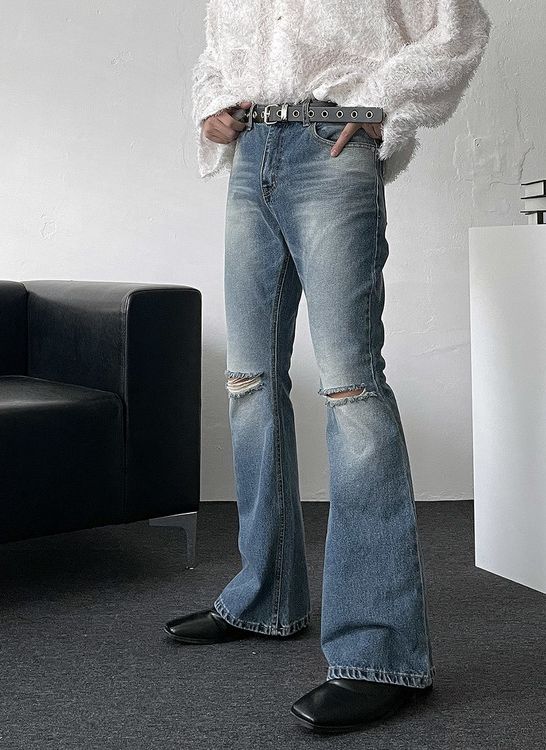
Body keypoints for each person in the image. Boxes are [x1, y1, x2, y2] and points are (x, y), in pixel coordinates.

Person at [165, 0, 491, 734]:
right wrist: (212, 107)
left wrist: (380, 102)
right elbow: (218, 51)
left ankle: (380, 653)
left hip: (330, 148)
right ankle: (264, 597)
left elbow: (459, 26)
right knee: (249, 384)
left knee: (351, 389)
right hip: (251, 155)